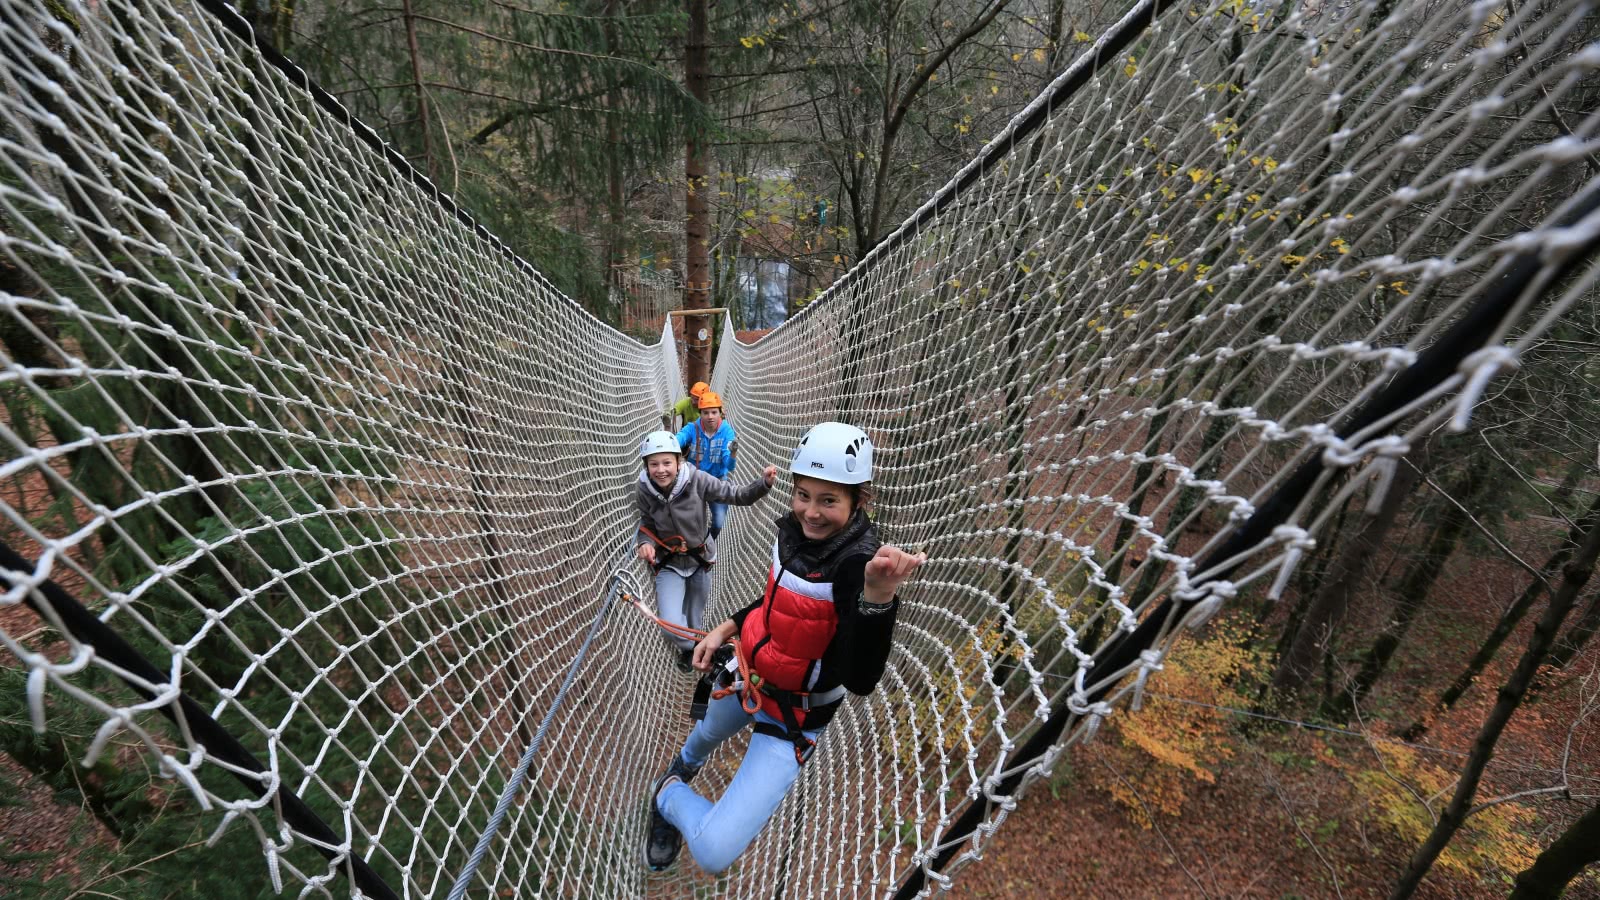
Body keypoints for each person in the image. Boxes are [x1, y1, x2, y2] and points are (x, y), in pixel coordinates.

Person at [644, 422, 925, 874]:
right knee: (704, 737)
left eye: (828, 500)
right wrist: (726, 627)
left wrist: (877, 596)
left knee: (714, 851)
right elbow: (777, 599)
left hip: (795, 714)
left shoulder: (858, 565)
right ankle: (682, 767)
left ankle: (666, 795)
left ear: (858, 501)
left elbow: (861, 679)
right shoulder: (791, 532)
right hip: (748, 673)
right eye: (803, 495)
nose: (811, 512)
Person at [636, 430, 776, 673]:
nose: (661, 470)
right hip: (669, 563)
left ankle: (694, 650)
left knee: (694, 616)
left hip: (700, 560)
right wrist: (644, 543)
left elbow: (734, 494)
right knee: (669, 624)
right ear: (646, 466)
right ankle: (697, 648)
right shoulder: (645, 489)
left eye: (667, 462)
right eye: (654, 464)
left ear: (679, 462)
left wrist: (763, 485)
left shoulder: (697, 480)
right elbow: (646, 524)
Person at [676, 391, 738, 539]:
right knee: (687, 518)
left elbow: (729, 466)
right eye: (705, 413)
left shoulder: (727, 432)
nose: (710, 417)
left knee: (718, 522)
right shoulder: (693, 428)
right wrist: (668, 440)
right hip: (694, 480)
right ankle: (689, 544)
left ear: (720, 413)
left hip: (717, 480)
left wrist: (732, 453)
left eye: (714, 412)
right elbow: (680, 438)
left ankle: (708, 543)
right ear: (700, 413)